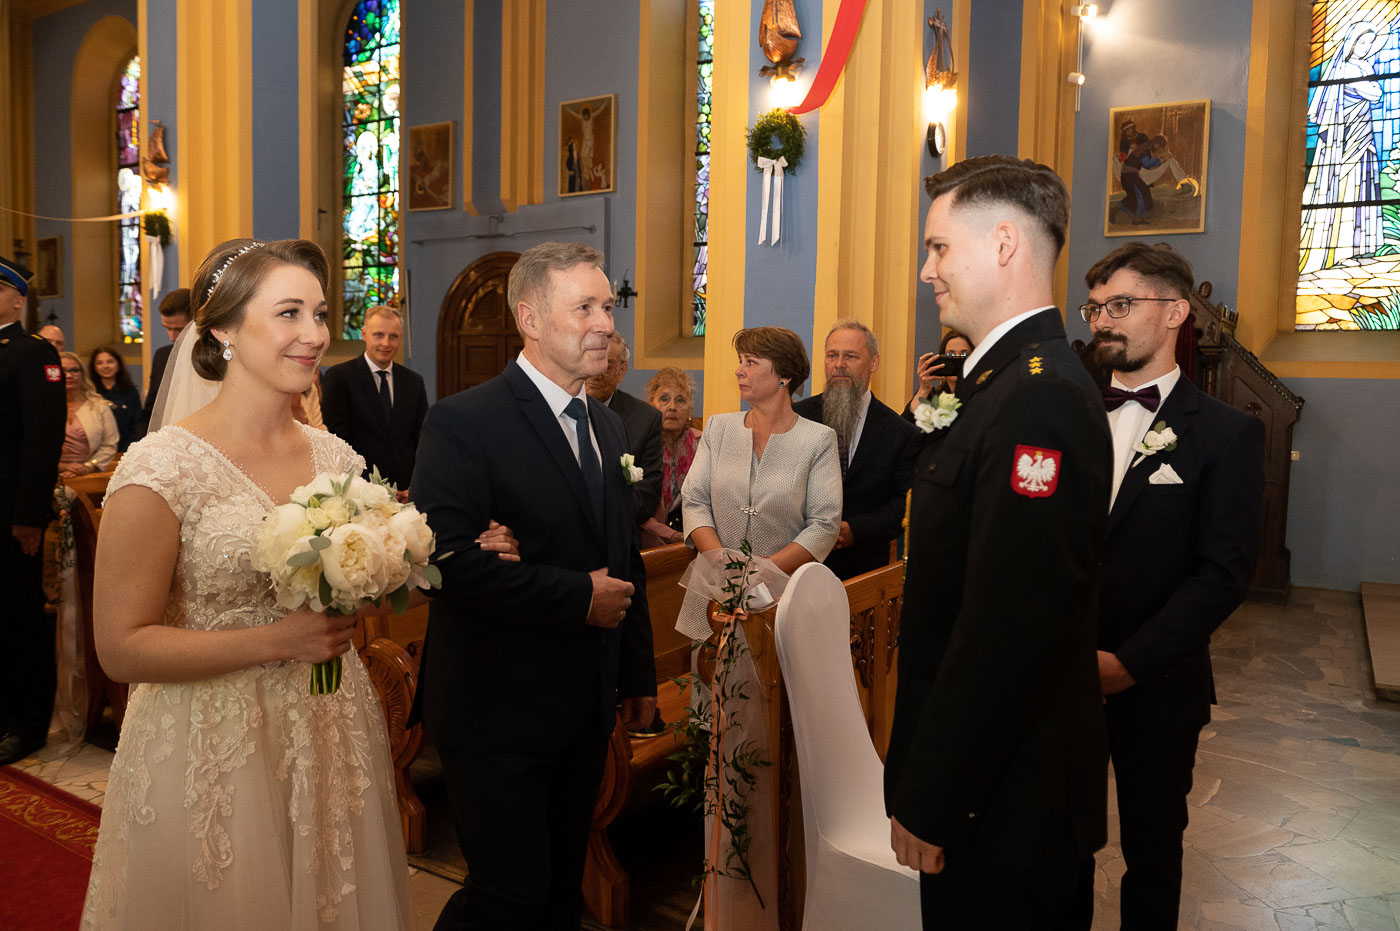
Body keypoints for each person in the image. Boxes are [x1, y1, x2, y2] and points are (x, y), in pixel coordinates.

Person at [80, 238, 415, 929]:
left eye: (319, 314)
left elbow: (361, 586)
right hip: (211, 743)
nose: (314, 334)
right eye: (288, 313)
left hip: (328, 728)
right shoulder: (161, 468)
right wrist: (279, 640)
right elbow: (120, 647)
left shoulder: (336, 458)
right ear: (224, 330)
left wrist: (386, 564)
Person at [883, 155, 1112, 929]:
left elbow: (1009, 633)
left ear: (1005, 243)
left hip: (1004, 811)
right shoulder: (998, 384)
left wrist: (936, 796)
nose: (927, 270)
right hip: (993, 798)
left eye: (940, 247)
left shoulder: (1038, 396)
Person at [412, 241, 656, 930]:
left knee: (557, 896)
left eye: (607, 306)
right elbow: (445, 564)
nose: (605, 323)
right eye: (584, 308)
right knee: (507, 896)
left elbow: (625, 559)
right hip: (497, 707)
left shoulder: (608, 426)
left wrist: (635, 673)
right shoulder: (465, 421)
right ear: (530, 319)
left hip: (581, 707)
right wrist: (578, 597)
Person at [1081, 242, 1265, 929]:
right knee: (1057, 848)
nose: (1103, 320)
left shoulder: (1227, 433)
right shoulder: (1063, 419)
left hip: (1158, 682)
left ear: (1175, 313)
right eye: (1095, 307)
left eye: (1121, 305)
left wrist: (1128, 663)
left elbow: (1224, 573)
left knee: (1152, 853)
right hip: (1060, 678)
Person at [679, 325, 841, 929]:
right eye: (740, 361)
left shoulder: (817, 440)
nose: (740, 371)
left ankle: (777, 868)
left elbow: (824, 523)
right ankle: (719, 872)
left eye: (751, 362)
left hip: (781, 606)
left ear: (785, 375)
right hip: (714, 600)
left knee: (773, 734)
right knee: (717, 730)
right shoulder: (720, 429)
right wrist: (723, 564)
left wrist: (761, 575)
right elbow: (694, 501)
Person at [0, 255, 66, 766]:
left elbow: (42, 440)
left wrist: (28, 516)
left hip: (9, 513)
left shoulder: (31, 352)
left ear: (18, 298)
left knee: (18, 617)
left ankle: (28, 722)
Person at [794, 319, 919, 579]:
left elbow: (902, 504)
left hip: (862, 570)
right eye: (832, 355)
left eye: (850, 356)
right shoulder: (797, 417)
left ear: (874, 363)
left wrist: (854, 531)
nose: (839, 364)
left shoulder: (900, 433)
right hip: (798, 564)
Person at [1300, 20, 1383, 273]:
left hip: (1363, 133)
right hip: (1344, 137)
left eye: (1370, 43)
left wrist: (1371, 84)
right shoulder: (1346, 68)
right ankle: (1341, 249)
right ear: (1351, 43)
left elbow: (1375, 92)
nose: (1366, 47)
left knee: (1363, 184)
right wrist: (1370, 85)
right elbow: (1373, 93)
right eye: (1362, 42)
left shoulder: (1364, 66)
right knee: (1346, 186)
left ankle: (1361, 246)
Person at [321, 304, 429, 499]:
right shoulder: (340, 377)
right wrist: (366, 490)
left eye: (393, 336)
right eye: (378, 335)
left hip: (405, 490)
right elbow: (339, 440)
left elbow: (421, 439)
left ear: (400, 337)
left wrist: (415, 486)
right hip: (359, 491)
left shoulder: (414, 381)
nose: (386, 343)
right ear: (364, 334)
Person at [585, 332, 663, 524]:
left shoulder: (645, 419)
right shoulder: (558, 409)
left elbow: (648, 493)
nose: (597, 373)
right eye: (592, 361)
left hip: (618, 527)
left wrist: (601, 514)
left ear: (622, 371)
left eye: (608, 365)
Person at [640, 366, 701, 547]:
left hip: (694, 541)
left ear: (690, 409)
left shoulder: (704, 444)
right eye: (664, 399)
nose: (672, 407)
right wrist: (672, 535)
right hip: (647, 544)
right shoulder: (640, 445)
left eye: (680, 400)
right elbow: (634, 506)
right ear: (651, 405)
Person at [135, 288, 193, 438]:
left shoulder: (215, 358)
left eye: (179, 329)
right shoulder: (162, 356)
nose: (172, 337)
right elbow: (151, 408)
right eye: (167, 328)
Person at [57, 351, 119, 478]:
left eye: (74, 370)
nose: (69, 375)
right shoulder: (43, 406)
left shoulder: (98, 405)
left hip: (88, 474)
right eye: (63, 370)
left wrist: (88, 466)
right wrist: (63, 466)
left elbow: (109, 444)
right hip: (49, 472)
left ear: (82, 374)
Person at [905, 327, 972, 420]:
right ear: (942, 358)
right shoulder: (932, 396)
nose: (956, 360)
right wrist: (923, 390)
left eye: (964, 355)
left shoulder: (981, 395)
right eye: (950, 355)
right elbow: (905, 426)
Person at [89, 346, 143, 451]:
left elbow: (137, 423)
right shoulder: (90, 392)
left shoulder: (130, 391)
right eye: (100, 363)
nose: (105, 366)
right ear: (94, 367)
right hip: (97, 449)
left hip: (126, 447)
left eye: (110, 362)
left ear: (118, 364)